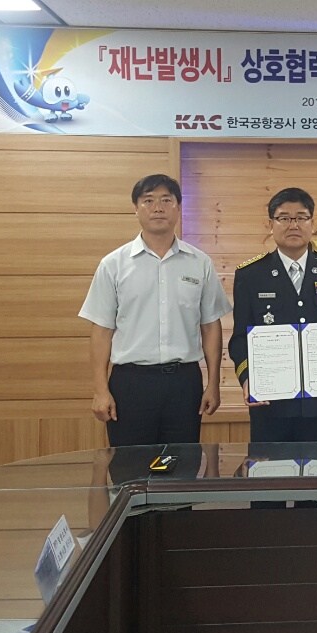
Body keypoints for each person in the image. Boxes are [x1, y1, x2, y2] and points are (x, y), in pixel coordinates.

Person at [80, 173, 231, 447]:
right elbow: (101, 331)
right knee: (130, 465)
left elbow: (211, 326)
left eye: (166, 200)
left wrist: (213, 384)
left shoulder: (200, 263)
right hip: (131, 383)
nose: (158, 208)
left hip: (184, 383)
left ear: (178, 207)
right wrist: (101, 390)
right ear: (136, 208)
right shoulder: (113, 265)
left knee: (180, 464)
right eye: (148, 201)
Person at [229, 187, 317, 443]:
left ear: (312, 223)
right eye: (284, 218)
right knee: (268, 466)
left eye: (301, 217)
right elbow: (240, 337)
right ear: (271, 224)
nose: (293, 225)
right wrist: (247, 378)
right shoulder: (250, 275)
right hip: (269, 402)